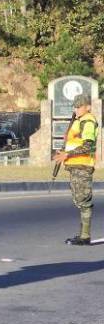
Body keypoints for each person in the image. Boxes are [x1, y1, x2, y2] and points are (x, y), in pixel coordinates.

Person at [54, 94, 97, 245]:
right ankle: (83, 234)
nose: (76, 109)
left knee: (84, 200)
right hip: (75, 165)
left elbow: (89, 145)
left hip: (83, 166)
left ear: (88, 107)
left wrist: (68, 154)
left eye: (79, 106)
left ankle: (85, 236)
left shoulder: (88, 121)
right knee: (79, 199)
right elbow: (73, 141)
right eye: (75, 107)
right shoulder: (79, 121)